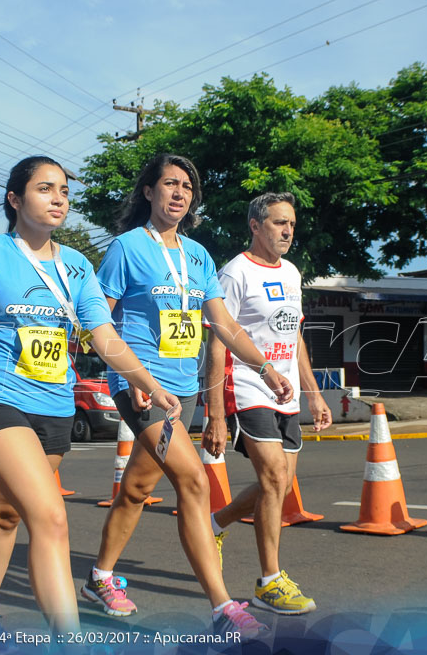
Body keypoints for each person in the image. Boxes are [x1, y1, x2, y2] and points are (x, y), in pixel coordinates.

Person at [0, 156, 181, 638]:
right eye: (45, 189)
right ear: (15, 199)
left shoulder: (76, 265)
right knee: (50, 517)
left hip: (54, 405)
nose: (58, 199)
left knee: (8, 510)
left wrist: (151, 383)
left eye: (64, 191)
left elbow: (104, 335)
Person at [84, 153, 294, 640]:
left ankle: (99, 577)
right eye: (169, 184)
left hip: (184, 388)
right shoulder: (125, 249)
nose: (179, 193)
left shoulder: (197, 256)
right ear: (149, 193)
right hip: (140, 386)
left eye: (187, 187)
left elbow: (223, 324)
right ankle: (223, 608)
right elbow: (99, 320)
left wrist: (264, 368)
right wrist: (131, 375)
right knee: (193, 482)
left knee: (137, 487)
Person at [203, 191, 332, 616]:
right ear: (256, 226)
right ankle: (270, 582)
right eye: (279, 223)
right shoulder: (234, 273)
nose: (288, 231)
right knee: (275, 475)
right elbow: (218, 340)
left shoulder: (293, 273)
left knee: (276, 483)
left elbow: (293, 337)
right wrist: (216, 414)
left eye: (291, 224)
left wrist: (313, 392)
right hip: (246, 386)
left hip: (287, 393)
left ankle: (216, 523)